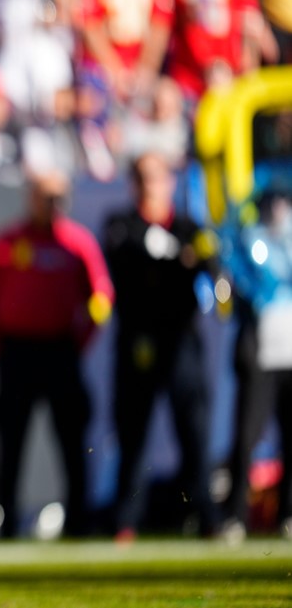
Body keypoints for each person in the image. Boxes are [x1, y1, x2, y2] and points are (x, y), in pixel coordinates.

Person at [0, 167, 114, 539]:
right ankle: (9, 521)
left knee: (71, 440)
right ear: (31, 199)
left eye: (58, 197)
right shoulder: (7, 243)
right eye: (45, 196)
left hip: (60, 350)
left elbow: (101, 297)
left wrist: (82, 340)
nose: (52, 204)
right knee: (12, 440)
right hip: (16, 353)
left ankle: (79, 520)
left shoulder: (77, 243)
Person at [103, 152, 223, 540]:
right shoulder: (121, 225)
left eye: (157, 177)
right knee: (133, 435)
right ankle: (126, 520)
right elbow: (124, 258)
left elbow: (210, 265)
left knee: (194, 430)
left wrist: (185, 256)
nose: (151, 186)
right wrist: (177, 257)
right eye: (143, 178)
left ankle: (207, 517)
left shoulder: (190, 227)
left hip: (180, 342)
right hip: (139, 342)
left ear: (171, 182)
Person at [222, 185, 292, 539]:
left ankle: (288, 512)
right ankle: (235, 514)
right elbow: (245, 283)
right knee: (247, 433)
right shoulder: (250, 241)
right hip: (262, 349)